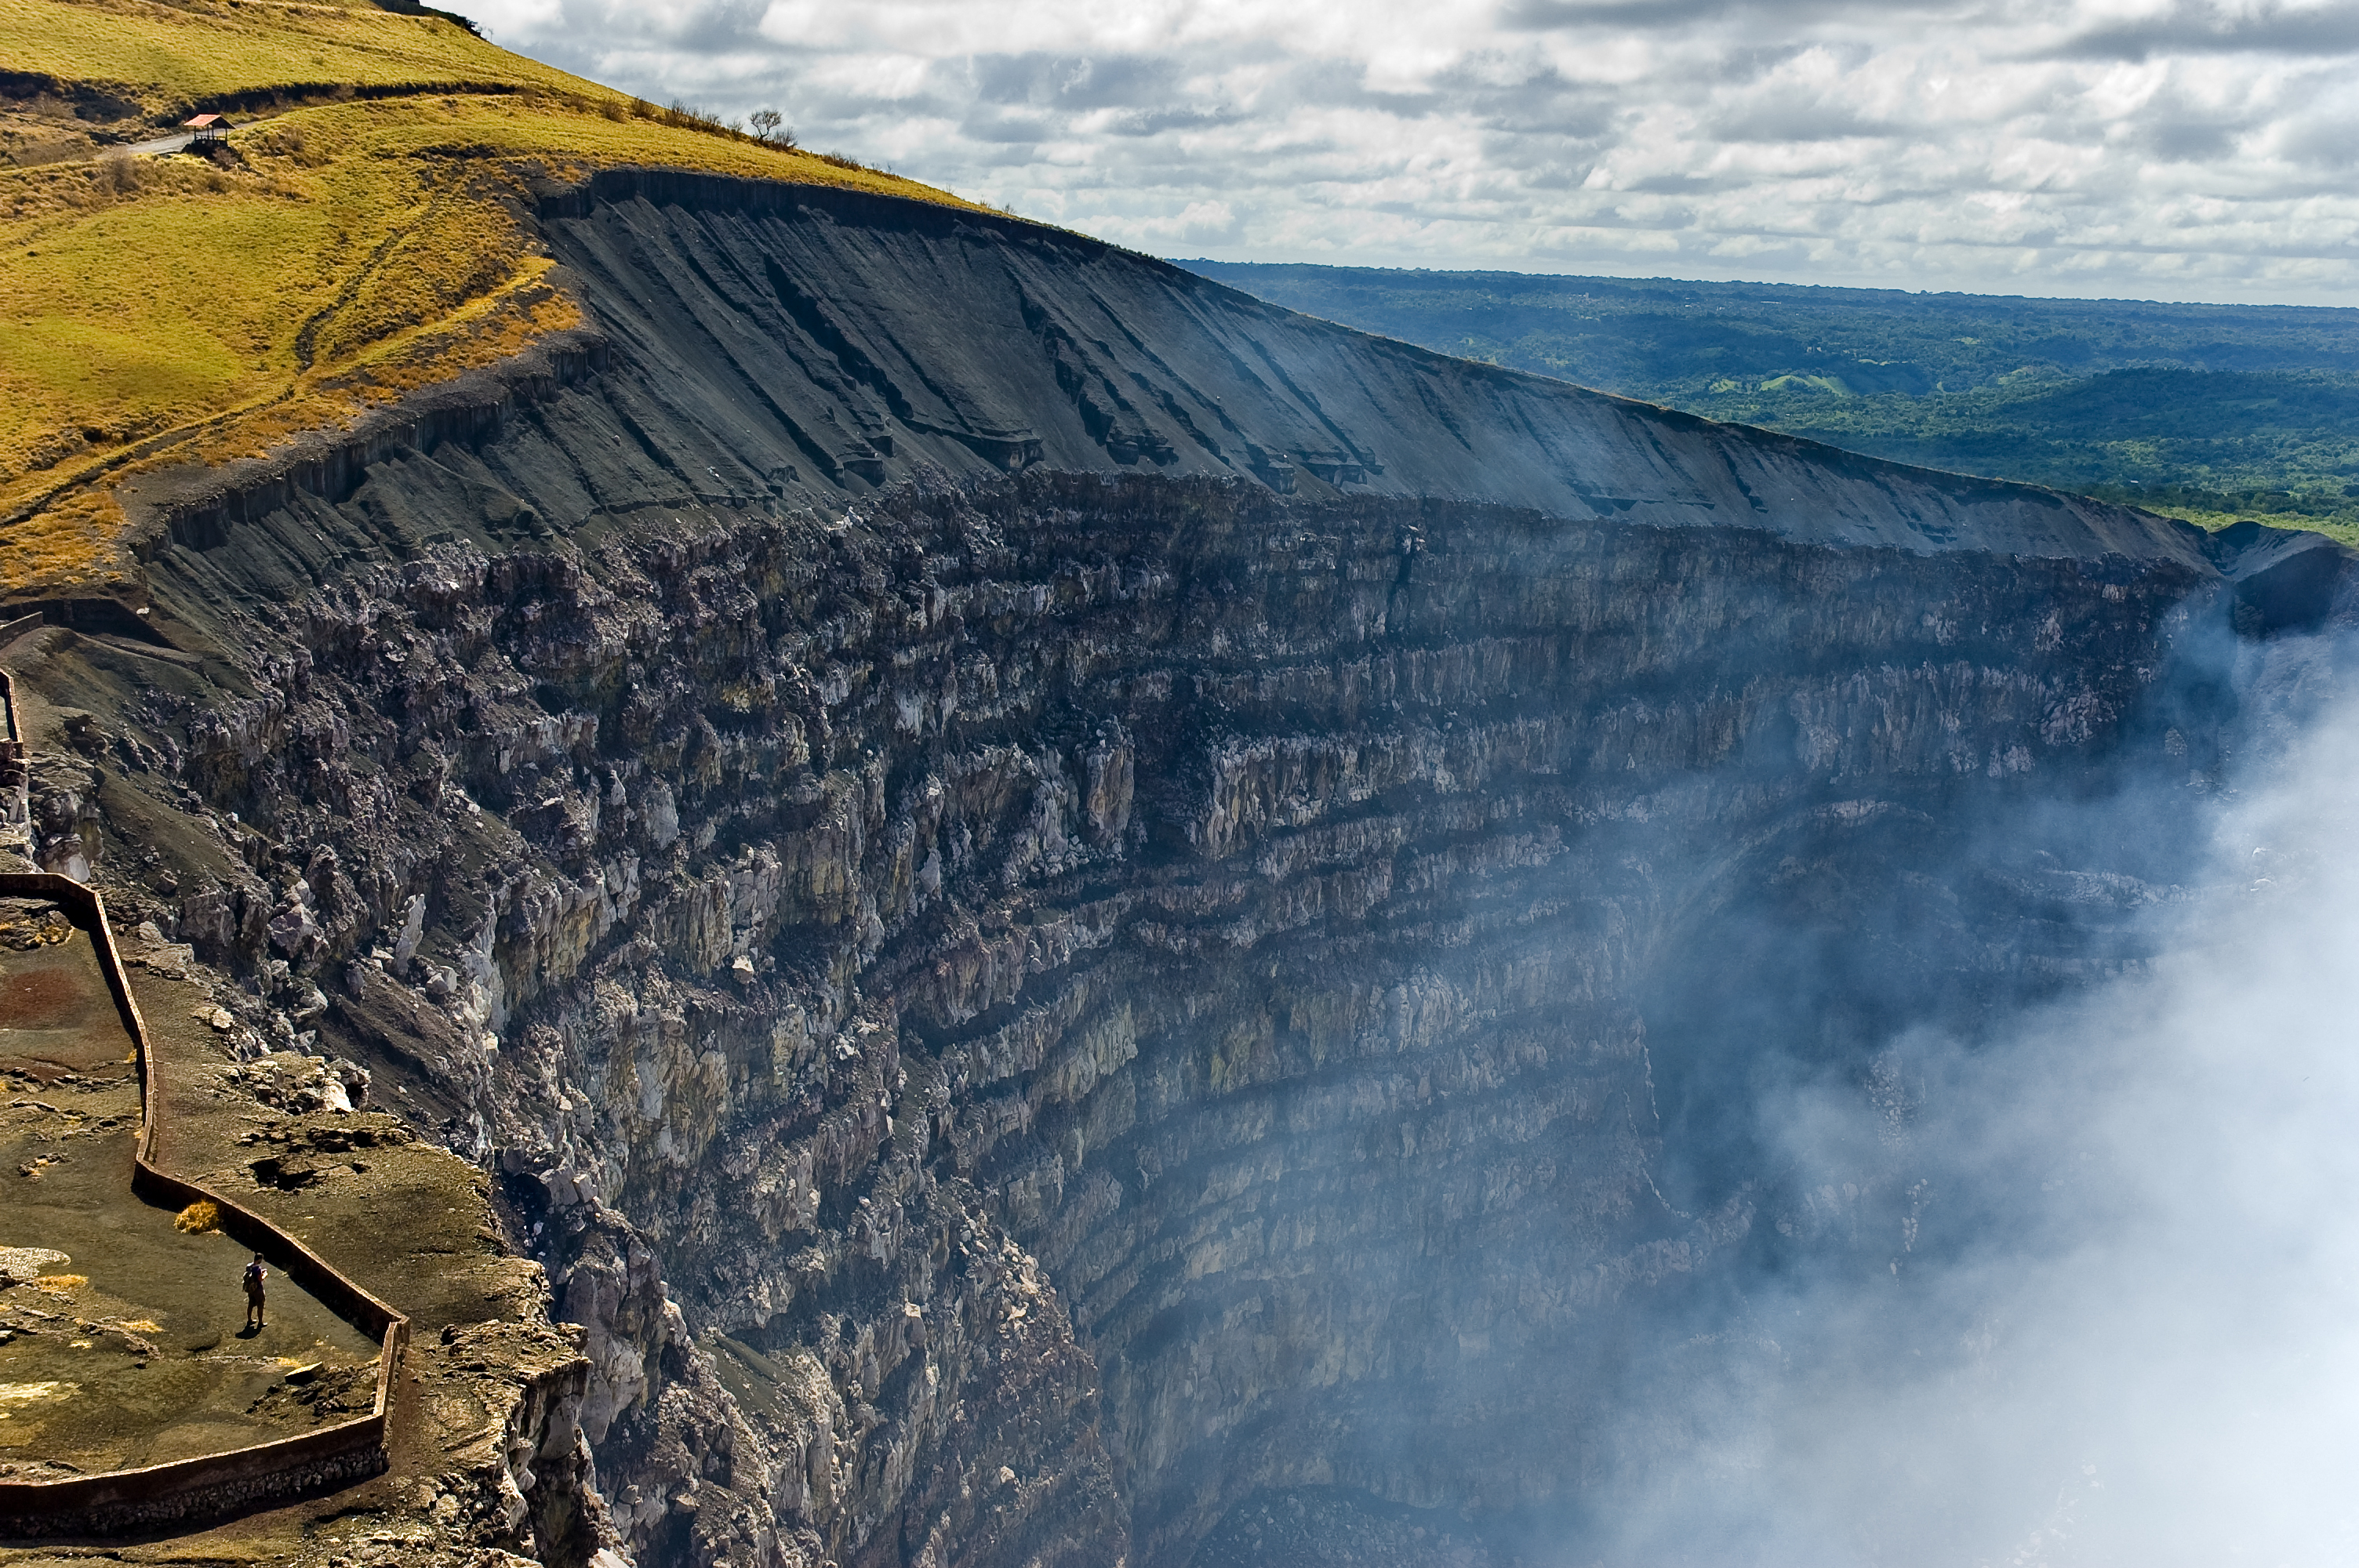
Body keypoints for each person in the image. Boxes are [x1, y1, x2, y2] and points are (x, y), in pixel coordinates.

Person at [242, 1253, 267, 1330]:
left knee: (251, 1304)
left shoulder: (249, 1266)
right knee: (260, 1305)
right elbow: (260, 1279)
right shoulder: (257, 1269)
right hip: (258, 1289)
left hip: (251, 1289)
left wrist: (261, 1272)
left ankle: (249, 1320)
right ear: (259, 1260)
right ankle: (260, 1323)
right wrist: (265, 1274)